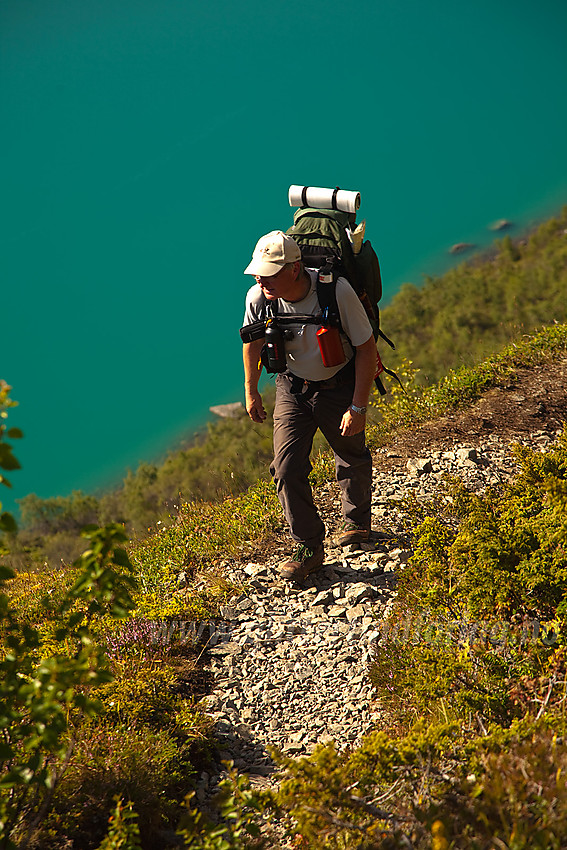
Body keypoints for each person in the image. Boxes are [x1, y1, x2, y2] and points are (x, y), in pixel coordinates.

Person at [242, 230, 376, 581]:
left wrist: (357, 407)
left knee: (350, 452)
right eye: (258, 271)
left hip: (339, 384)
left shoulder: (336, 291)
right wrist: (251, 390)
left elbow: (366, 348)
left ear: (295, 268)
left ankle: (356, 522)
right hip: (291, 387)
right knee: (285, 468)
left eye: (269, 271)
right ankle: (309, 547)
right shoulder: (260, 296)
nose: (260, 278)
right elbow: (252, 341)